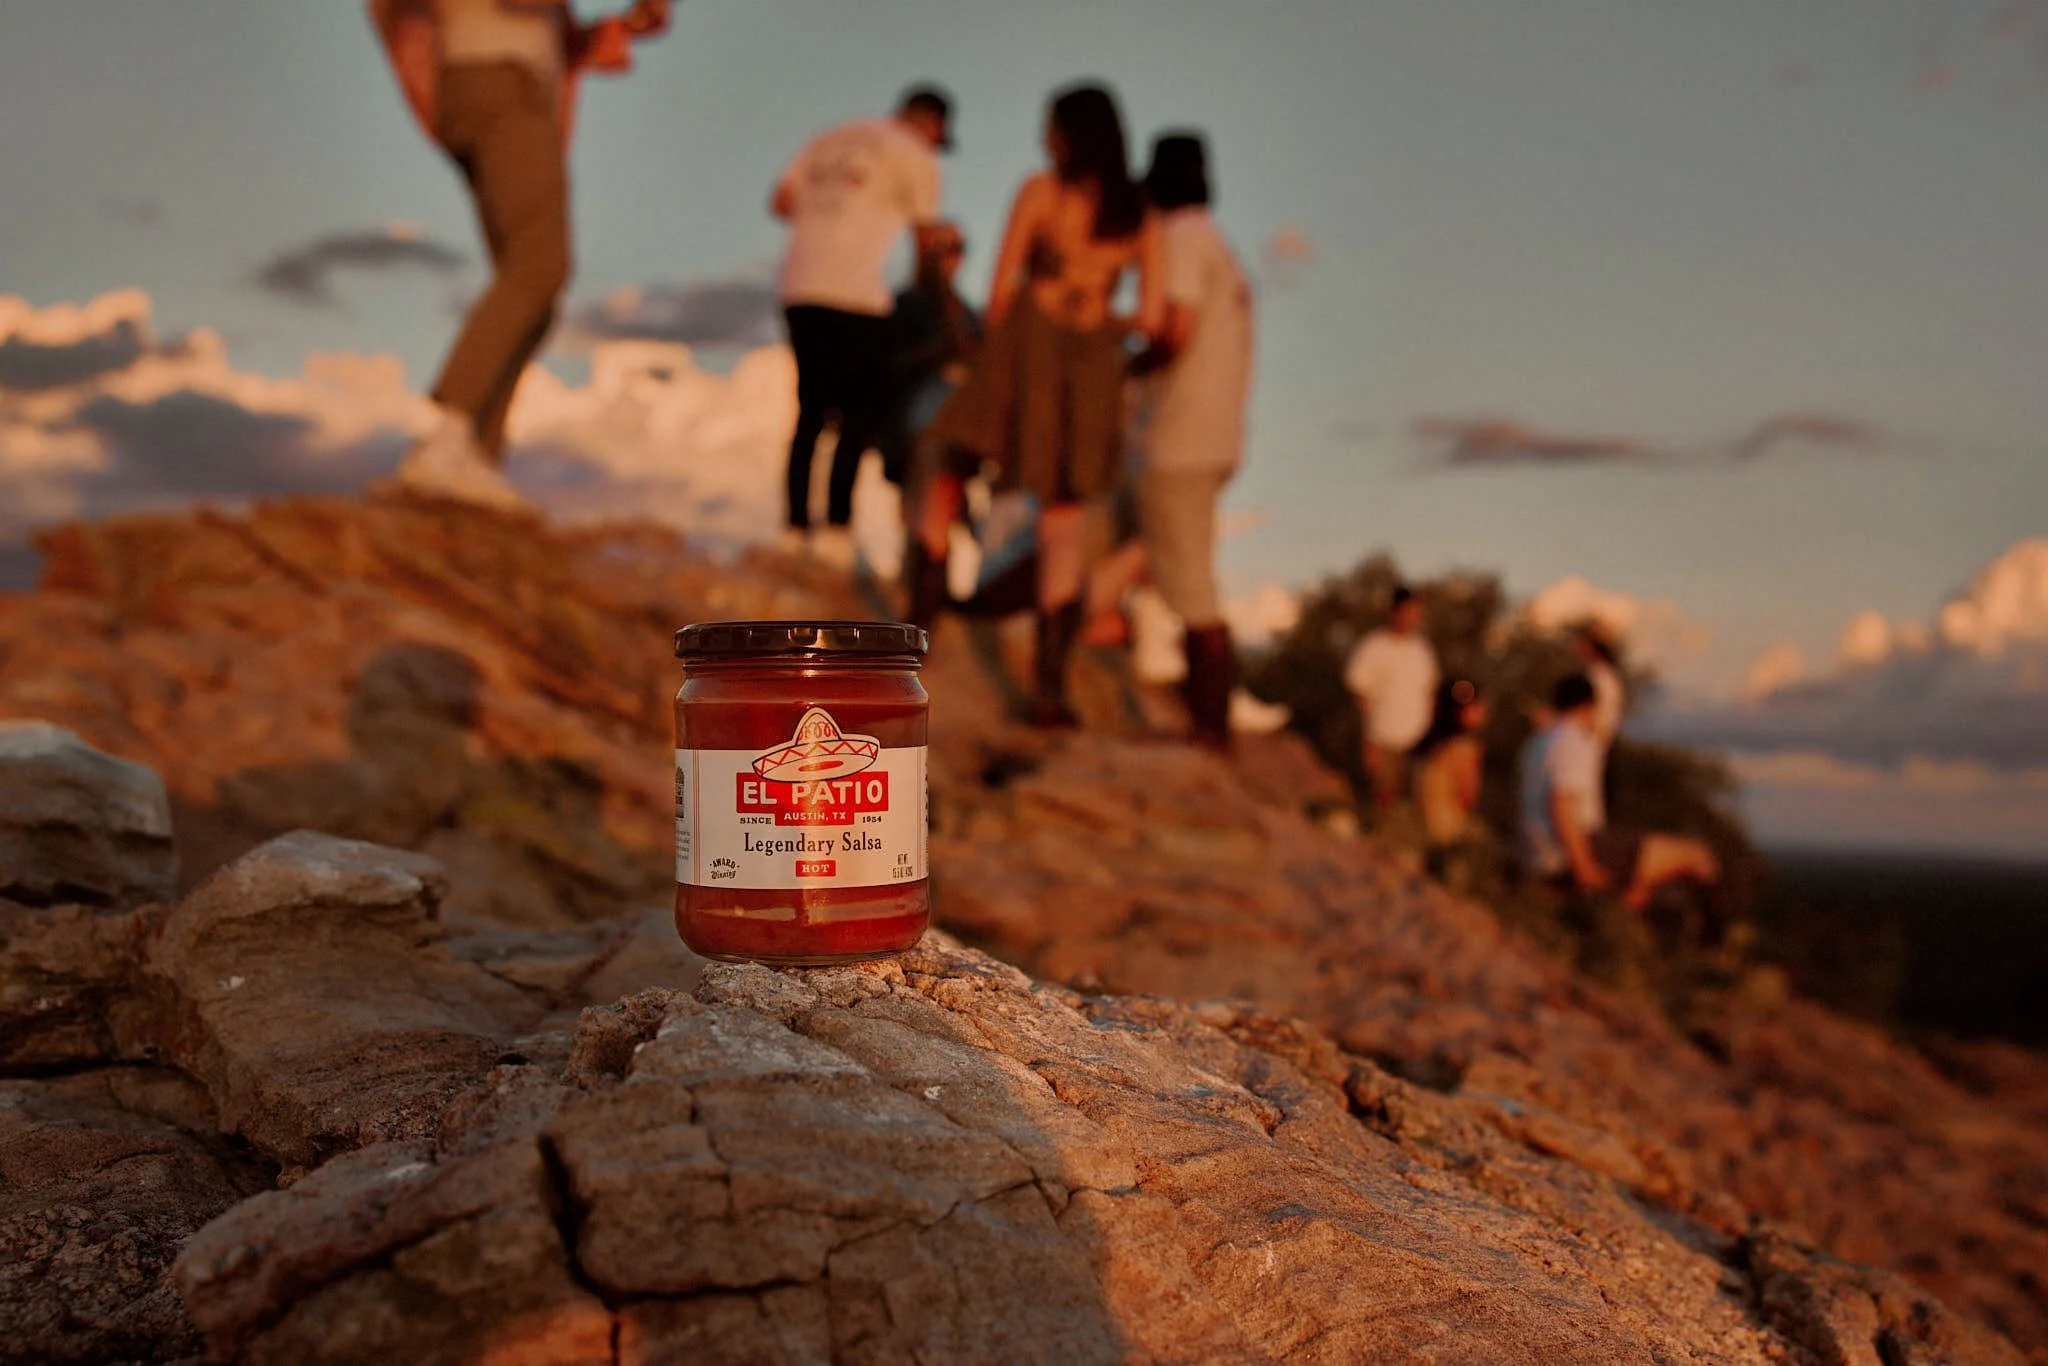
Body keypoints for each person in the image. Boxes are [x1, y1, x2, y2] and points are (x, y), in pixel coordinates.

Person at [922, 81, 1163, 726]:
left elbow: (1000, 291)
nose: (1042, 139)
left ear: (1070, 135)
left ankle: (919, 619)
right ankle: (1048, 692)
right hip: (1091, 365)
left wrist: (1002, 348)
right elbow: (1150, 314)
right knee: (1065, 517)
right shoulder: (1138, 215)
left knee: (951, 460)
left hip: (1029, 346)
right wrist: (1100, 310)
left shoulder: (1042, 193)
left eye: (1050, 127)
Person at [370, 0, 673, 509]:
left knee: (534, 288)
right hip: (497, 85)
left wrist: (632, 23)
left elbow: (560, 36)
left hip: (500, 88)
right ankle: (448, 439)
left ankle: (473, 458)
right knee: (539, 267)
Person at [771, 86, 955, 568]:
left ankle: (794, 526)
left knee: (810, 411)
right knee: (856, 415)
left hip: (799, 284)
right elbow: (923, 240)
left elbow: (780, 202)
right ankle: (835, 527)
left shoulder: (829, 137)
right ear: (933, 125)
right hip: (859, 295)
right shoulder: (916, 155)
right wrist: (935, 307)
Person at [1128, 130, 1255, 749]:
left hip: (1179, 434)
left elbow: (1172, 331)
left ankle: (1210, 727)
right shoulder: (1220, 246)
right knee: (1186, 569)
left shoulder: (1180, 237)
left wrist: (1123, 362)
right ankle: (1209, 719)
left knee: (1190, 586)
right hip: (1218, 432)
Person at [1519, 673, 1721, 915]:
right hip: (1564, 851)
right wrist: (1585, 869)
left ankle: (1621, 910)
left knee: (1641, 871)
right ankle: (1714, 936)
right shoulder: (1575, 742)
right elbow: (1561, 806)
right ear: (1589, 706)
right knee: (1697, 857)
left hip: (1534, 852)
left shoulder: (1537, 742)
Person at [1343, 586, 1439, 810]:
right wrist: (1370, 740)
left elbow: (1429, 692)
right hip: (1383, 739)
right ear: (1394, 612)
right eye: (1408, 612)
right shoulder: (1374, 647)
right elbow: (1360, 694)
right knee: (1383, 800)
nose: (1413, 618)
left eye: (1417, 613)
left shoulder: (1422, 651)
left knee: (1414, 802)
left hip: (1416, 742)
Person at [1415, 677, 1489, 879]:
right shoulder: (1464, 748)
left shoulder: (1430, 746)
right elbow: (1468, 797)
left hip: (1425, 832)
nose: (1482, 709)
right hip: (1448, 838)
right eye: (1475, 705)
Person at [1575, 623, 1626, 751]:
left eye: (1581, 644)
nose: (1576, 648)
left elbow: (1601, 718)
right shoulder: (1601, 675)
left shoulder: (1600, 677)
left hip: (1588, 744)